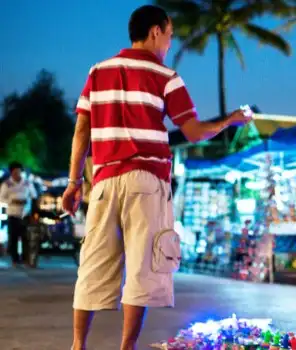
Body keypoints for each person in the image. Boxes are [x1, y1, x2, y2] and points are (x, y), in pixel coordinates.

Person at [60, 5, 252, 350]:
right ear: (155, 32)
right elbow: (192, 131)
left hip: (103, 183)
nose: (169, 41)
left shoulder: (98, 72)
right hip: (146, 182)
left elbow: (81, 130)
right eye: (170, 33)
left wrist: (74, 183)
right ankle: (126, 347)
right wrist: (229, 121)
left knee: (93, 264)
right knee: (143, 268)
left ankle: (77, 345)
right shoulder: (165, 76)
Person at [0, 162, 37, 268]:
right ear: (11, 173)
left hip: (25, 214)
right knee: (13, 238)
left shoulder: (27, 183)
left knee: (26, 237)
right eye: (15, 172)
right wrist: (12, 200)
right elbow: (1, 198)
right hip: (12, 214)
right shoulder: (6, 184)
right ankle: (15, 260)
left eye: (19, 172)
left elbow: (34, 195)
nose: (17, 174)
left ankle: (26, 260)